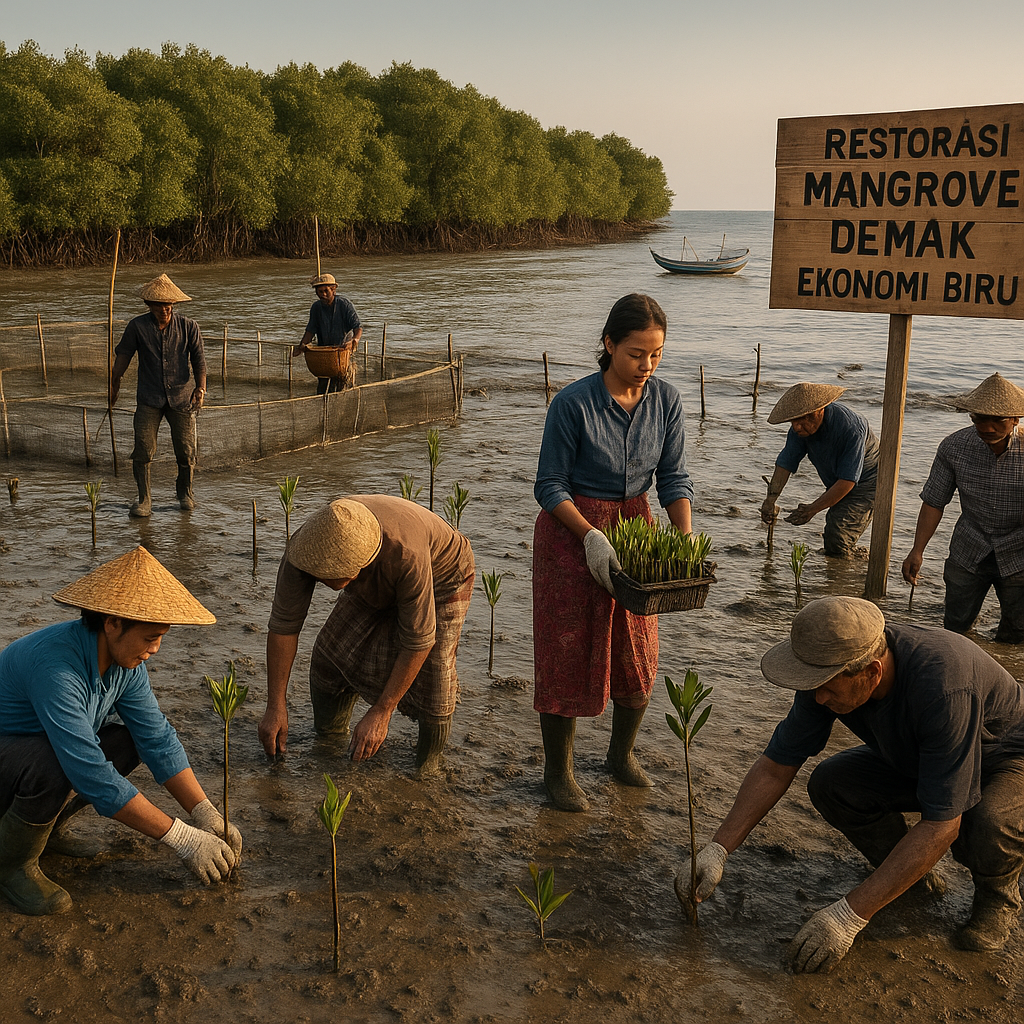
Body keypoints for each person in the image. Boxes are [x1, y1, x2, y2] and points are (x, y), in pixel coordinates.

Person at [682, 596, 1024, 970]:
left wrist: (850, 915)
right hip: (918, 754)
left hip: (1005, 758)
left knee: (989, 820)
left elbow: (942, 825)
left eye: (827, 688)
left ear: (872, 673)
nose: (818, 697)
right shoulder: (825, 675)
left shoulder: (943, 685)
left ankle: (998, 898)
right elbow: (776, 766)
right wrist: (718, 849)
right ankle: (906, 878)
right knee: (832, 784)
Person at [0, 547, 241, 916]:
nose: (156, 649)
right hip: (10, 752)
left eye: (161, 637)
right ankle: (11, 863)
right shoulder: (56, 667)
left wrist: (204, 811)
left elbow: (156, 737)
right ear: (112, 623)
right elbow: (89, 770)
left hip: (33, 747)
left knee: (128, 742)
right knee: (57, 763)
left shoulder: (125, 664)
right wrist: (183, 838)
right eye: (149, 638)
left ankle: (48, 832)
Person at [532, 293, 693, 812]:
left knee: (637, 648)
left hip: (635, 523)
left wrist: (683, 535)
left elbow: (672, 477)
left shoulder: (665, 401)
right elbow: (549, 485)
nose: (646, 365)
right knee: (566, 650)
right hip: (570, 532)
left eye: (656, 354)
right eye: (635, 353)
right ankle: (559, 773)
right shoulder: (573, 403)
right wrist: (590, 536)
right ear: (608, 345)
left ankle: (620, 756)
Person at [257, 495, 474, 777]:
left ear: (360, 566)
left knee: (435, 676)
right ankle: (329, 736)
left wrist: (382, 711)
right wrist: (275, 704)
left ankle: (427, 766)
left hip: (444, 573)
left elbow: (418, 640)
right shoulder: (304, 550)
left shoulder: (405, 555)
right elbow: (284, 625)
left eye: (338, 578)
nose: (327, 583)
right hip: (377, 569)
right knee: (331, 653)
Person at [902, 372, 1024, 644]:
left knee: (1016, 634)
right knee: (955, 626)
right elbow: (934, 501)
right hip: (970, 547)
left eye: (998, 420)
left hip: (1019, 552)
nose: (987, 427)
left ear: (1015, 419)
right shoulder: (954, 447)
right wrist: (917, 550)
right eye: (979, 418)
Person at [110, 273, 207, 517]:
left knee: (185, 450)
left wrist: (201, 387)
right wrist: (114, 384)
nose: (165, 309)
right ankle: (144, 498)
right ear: (149, 305)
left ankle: (185, 492)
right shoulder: (137, 327)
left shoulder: (189, 326)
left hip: (181, 396)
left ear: (173, 305)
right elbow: (123, 357)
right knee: (143, 449)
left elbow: (199, 360)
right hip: (149, 397)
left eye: (168, 304)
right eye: (159, 304)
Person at [760, 382, 879, 557]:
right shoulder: (799, 431)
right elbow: (784, 464)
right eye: (793, 421)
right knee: (834, 532)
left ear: (819, 411)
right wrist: (770, 499)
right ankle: (838, 571)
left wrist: (812, 509)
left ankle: (851, 568)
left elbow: (847, 481)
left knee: (837, 534)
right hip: (837, 480)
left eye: (801, 420)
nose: (795, 427)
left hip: (868, 483)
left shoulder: (851, 428)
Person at [294, 273, 363, 394]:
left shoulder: (344, 305)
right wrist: (302, 345)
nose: (323, 295)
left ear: (333, 290)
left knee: (341, 387)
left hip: (341, 353)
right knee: (323, 388)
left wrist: (354, 341)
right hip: (325, 355)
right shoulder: (316, 308)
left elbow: (357, 327)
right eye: (320, 292)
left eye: (326, 291)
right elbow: (310, 330)